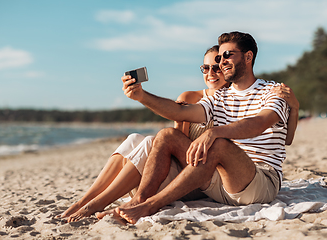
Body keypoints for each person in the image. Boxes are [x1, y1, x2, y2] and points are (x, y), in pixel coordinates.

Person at [116, 31, 298, 224]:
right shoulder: (220, 97)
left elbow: (258, 124)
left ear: (248, 56)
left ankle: (150, 205)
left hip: (259, 181)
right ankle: (139, 200)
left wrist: (214, 132)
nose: (222, 62)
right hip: (219, 181)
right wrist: (142, 96)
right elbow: (179, 112)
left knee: (219, 144)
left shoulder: (274, 91)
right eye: (220, 57)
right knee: (167, 135)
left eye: (228, 55)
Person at [58, 45, 230, 222]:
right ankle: (85, 201)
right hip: (181, 164)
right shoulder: (190, 97)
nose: (211, 73)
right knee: (134, 139)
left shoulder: (232, 102)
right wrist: (179, 120)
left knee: (149, 141)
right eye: (206, 68)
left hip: (198, 178)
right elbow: (177, 142)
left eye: (216, 68)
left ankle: (97, 203)